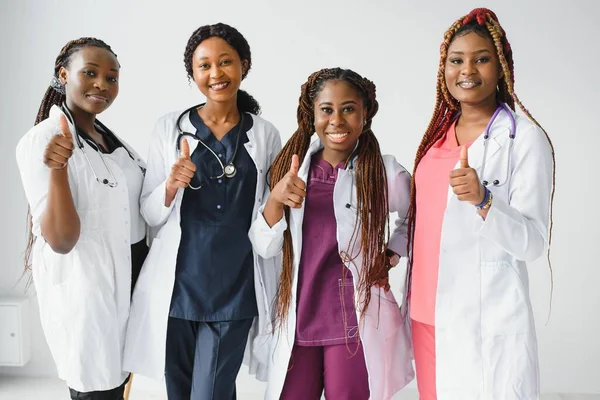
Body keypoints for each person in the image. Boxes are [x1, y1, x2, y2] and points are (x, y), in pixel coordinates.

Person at [123, 23, 281, 400]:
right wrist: (170, 185)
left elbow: (266, 215)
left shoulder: (264, 134)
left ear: (244, 65)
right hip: (177, 285)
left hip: (235, 285)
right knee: (180, 392)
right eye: (204, 66)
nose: (216, 74)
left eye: (225, 62)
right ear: (192, 74)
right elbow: (150, 214)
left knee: (209, 392)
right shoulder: (170, 128)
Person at [407, 8, 555, 399]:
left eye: (481, 58)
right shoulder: (437, 137)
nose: (466, 70)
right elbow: (426, 219)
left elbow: (534, 243)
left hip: (482, 317)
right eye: (456, 60)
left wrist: (484, 200)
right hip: (425, 312)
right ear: (445, 69)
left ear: (501, 66)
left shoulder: (523, 139)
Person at [249, 67, 414, 400]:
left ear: (365, 115)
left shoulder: (383, 172)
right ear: (313, 115)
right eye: (327, 110)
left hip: (352, 319)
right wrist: (277, 199)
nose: (337, 120)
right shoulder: (289, 169)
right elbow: (264, 245)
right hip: (298, 314)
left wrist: (391, 253)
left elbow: (415, 218)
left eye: (349, 109)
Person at [15, 37, 147, 399]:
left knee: (119, 386)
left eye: (112, 77)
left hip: (129, 284)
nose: (102, 85)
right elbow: (60, 239)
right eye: (90, 73)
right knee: (97, 389)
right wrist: (57, 169)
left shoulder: (108, 139)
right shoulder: (41, 140)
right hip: (90, 293)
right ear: (63, 74)